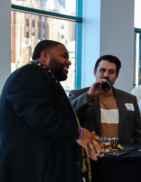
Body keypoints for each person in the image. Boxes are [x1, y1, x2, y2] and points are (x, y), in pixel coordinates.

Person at [0, 40, 107, 182]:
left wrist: (87, 145)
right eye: (64, 56)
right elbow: (41, 116)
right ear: (44, 56)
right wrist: (79, 134)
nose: (68, 62)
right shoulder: (28, 74)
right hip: (28, 170)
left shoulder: (45, 78)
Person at [69, 55, 141, 143]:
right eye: (102, 70)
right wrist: (89, 95)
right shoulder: (78, 95)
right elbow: (68, 116)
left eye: (111, 72)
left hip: (123, 153)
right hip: (92, 153)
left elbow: (138, 133)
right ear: (94, 72)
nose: (106, 75)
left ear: (117, 76)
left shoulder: (130, 99)